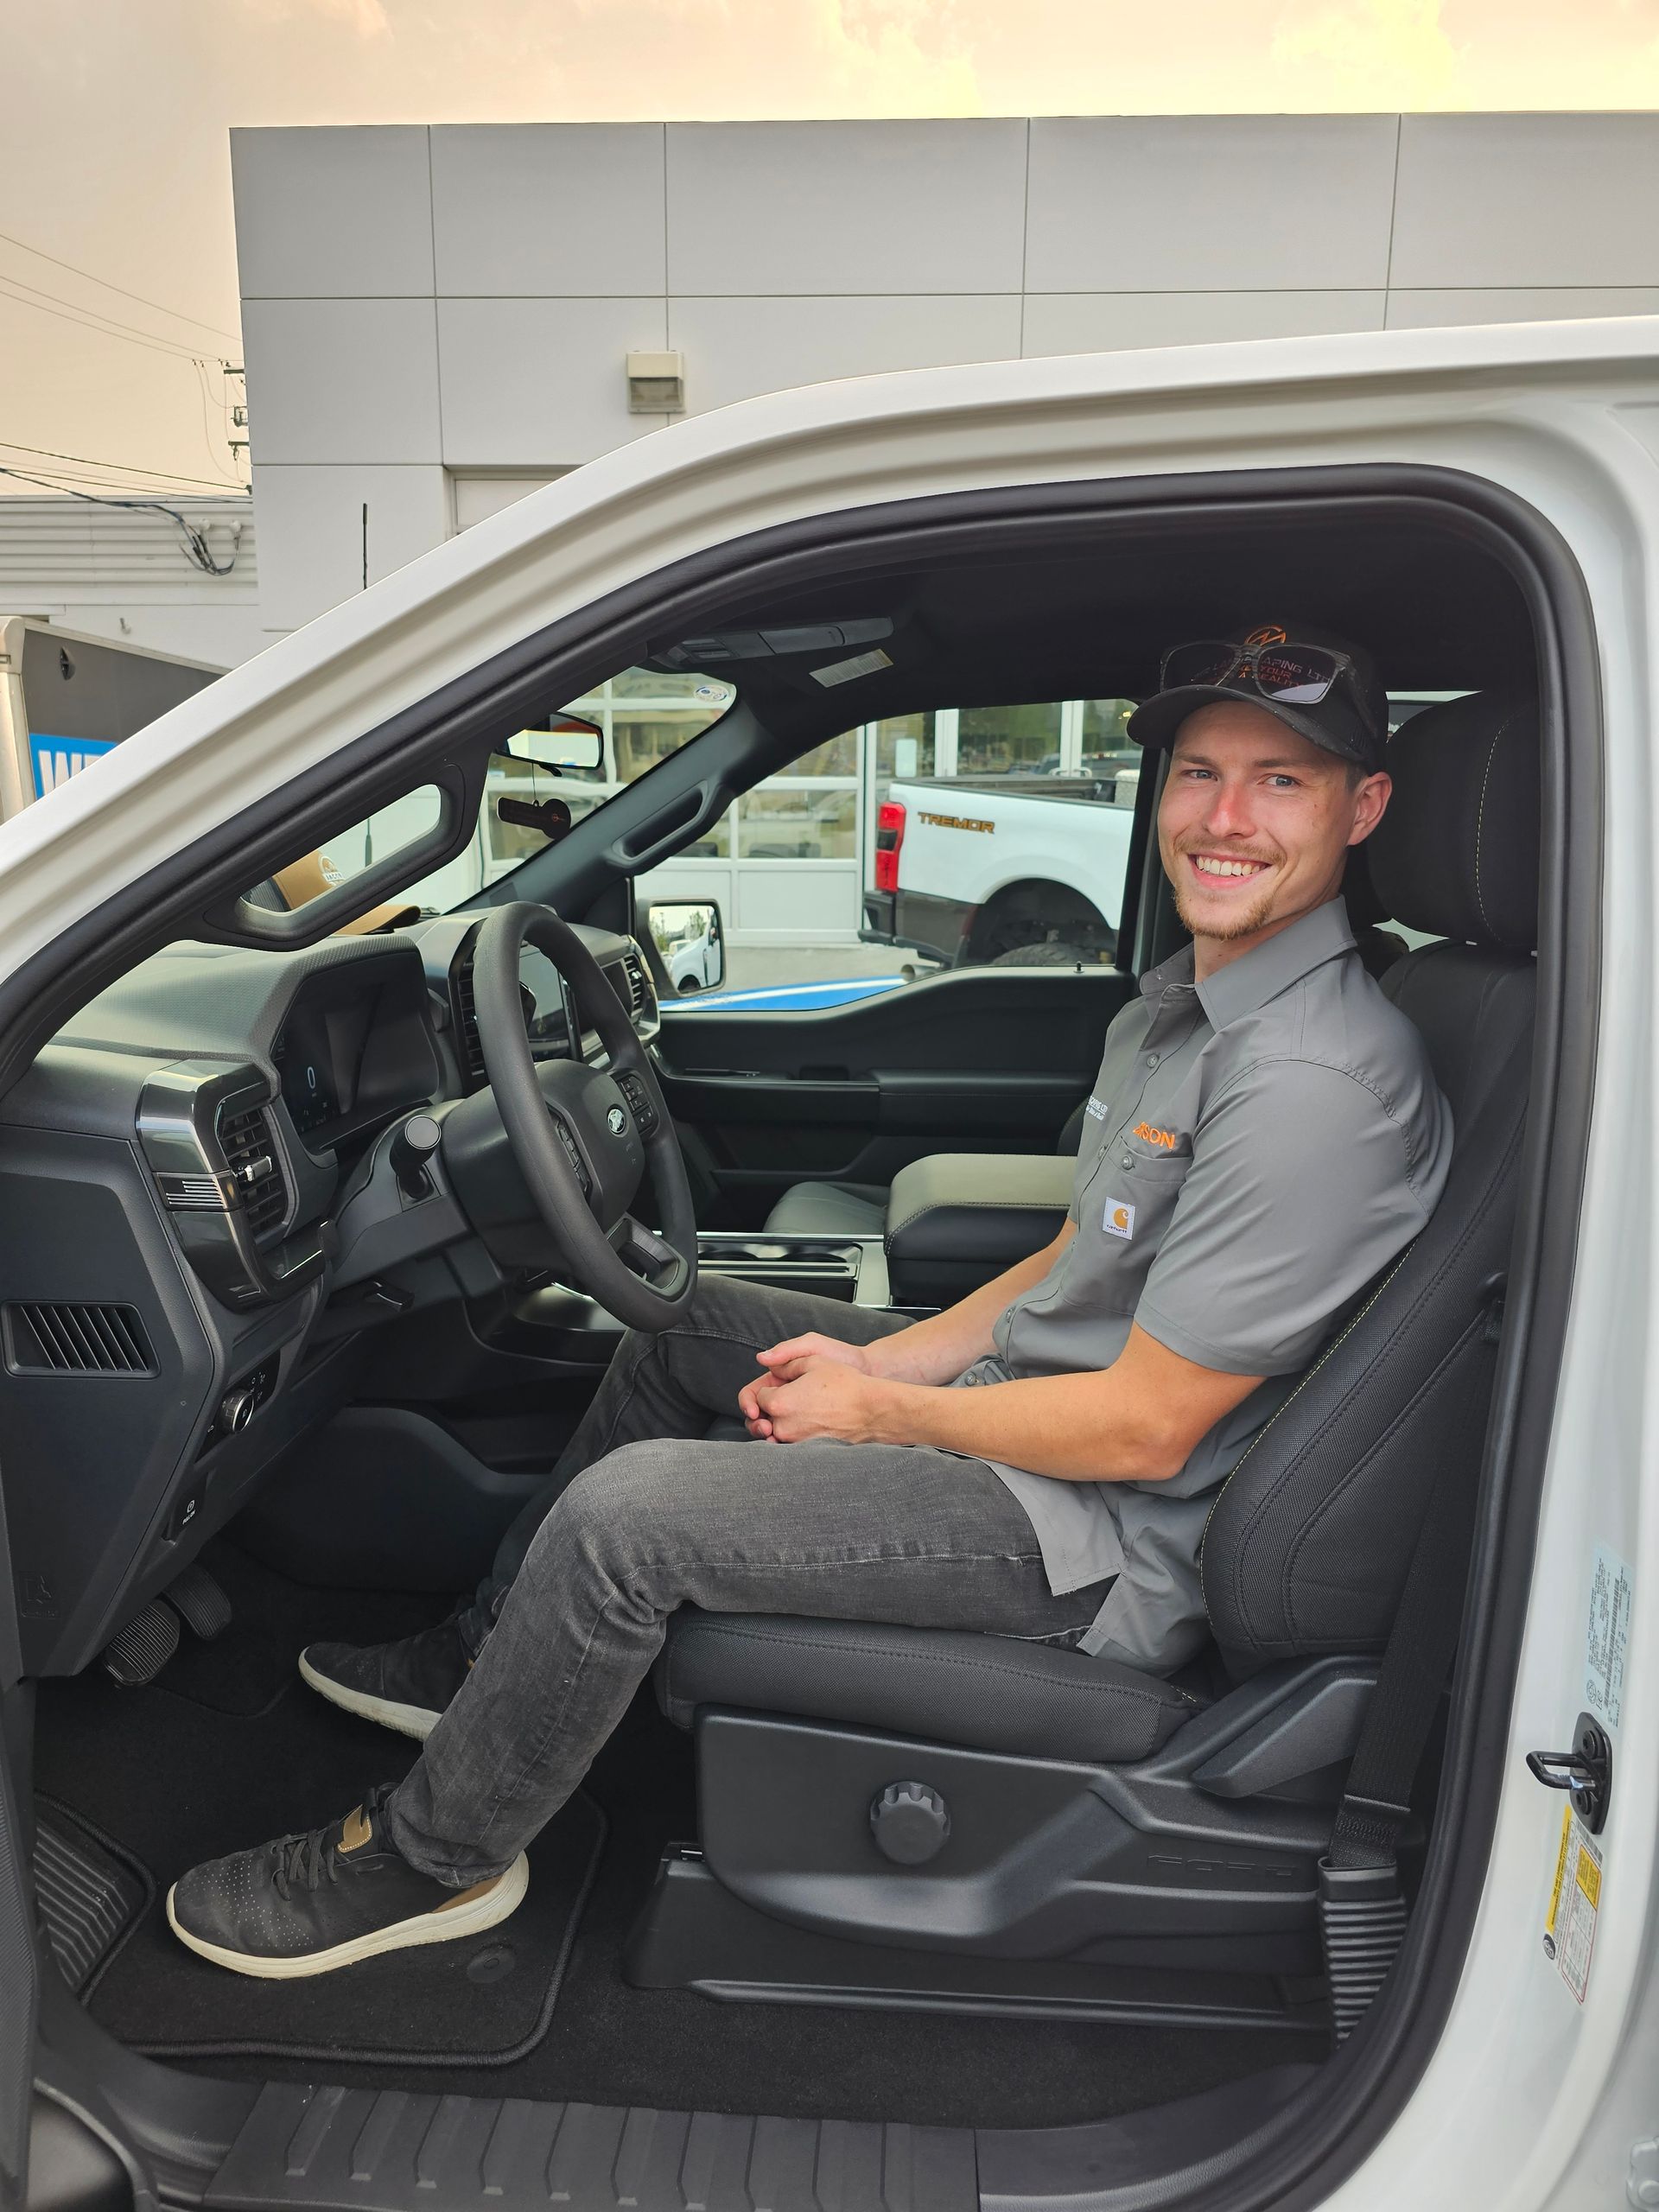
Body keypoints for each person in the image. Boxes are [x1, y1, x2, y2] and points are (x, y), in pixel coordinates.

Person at [167, 622, 1453, 1979]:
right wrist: (903, 1361)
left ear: (1364, 809)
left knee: (628, 1520)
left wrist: (885, 1411)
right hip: (1045, 1426)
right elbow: (1087, 1253)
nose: (1222, 818)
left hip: (1094, 1540)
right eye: (1199, 774)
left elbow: (1145, 1433)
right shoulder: (1188, 1012)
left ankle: (438, 1860)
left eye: (1283, 782)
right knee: (691, 1329)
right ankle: (486, 1673)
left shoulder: (1314, 1087)